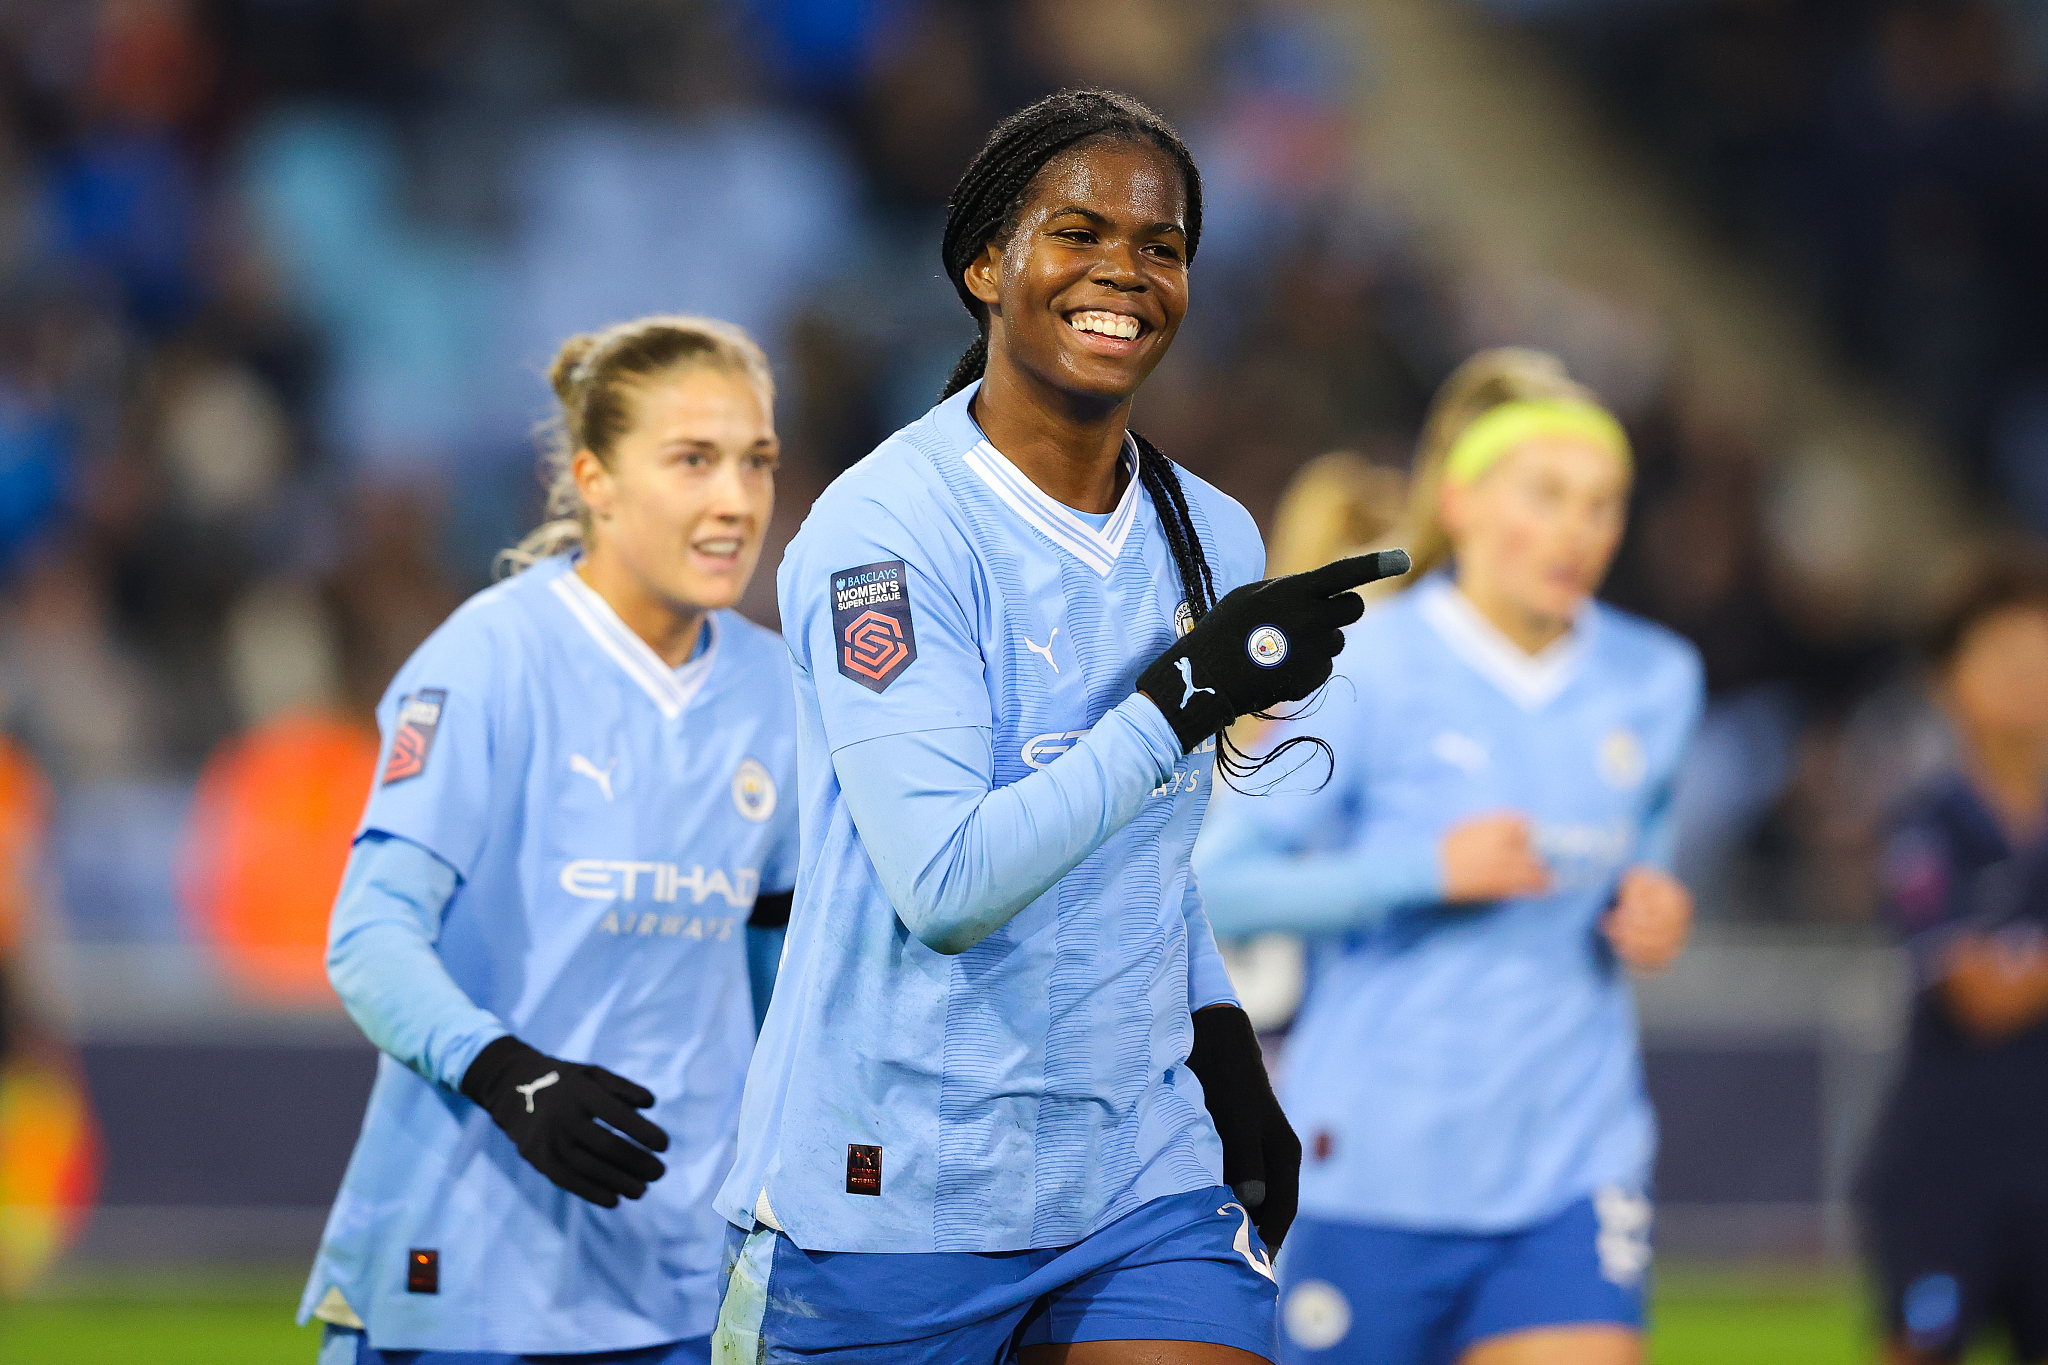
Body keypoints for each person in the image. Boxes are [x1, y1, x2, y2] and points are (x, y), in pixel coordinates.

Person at [709, 89, 1405, 1365]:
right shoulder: (885, 534)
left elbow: (1142, 849)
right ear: (984, 266)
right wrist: (1181, 697)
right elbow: (944, 884)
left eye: (1161, 245)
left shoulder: (1212, 535)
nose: (1122, 273)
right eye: (1077, 233)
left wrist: (1216, 1036)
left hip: (1132, 1173)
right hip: (891, 1184)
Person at [298, 315, 800, 1365]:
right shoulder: (488, 659)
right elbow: (370, 936)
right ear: (595, 479)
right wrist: (507, 1073)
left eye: (755, 462)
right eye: (692, 461)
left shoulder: (775, 694)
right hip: (466, 1264)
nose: (735, 500)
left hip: (678, 1281)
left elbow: (775, 970)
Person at [1194, 347, 1701, 1365]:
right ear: (1461, 501)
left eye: (1601, 503)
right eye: (1547, 495)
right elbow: (1217, 883)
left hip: (1572, 1163)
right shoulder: (1362, 666)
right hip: (1371, 1169)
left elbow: (1641, 862)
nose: (1576, 530)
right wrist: (1425, 872)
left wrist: (1655, 908)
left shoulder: (1654, 678)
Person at [1857, 557, 2048, 1365]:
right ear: (1946, 682)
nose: (2024, 678)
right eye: (2000, 656)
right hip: (1947, 1171)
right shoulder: (1926, 825)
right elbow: (1981, 994)